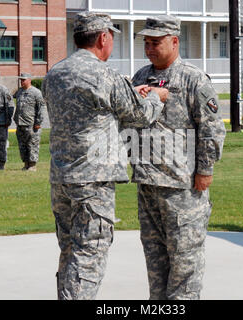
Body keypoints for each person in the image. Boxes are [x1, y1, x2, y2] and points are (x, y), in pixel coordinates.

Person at [41, 12, 168, 300]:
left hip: (62, 177)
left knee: (71, 250)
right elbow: (140, 115)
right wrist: (154, 98)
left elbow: (87, 109)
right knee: (90, 253)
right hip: (93, 180)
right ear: (103, 38)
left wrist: (129, 92)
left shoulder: (54, 74)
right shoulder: (104, 74)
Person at [132, 15, 226, 300]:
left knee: (185, 263)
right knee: (156, 262)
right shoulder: (140, 78)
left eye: (155, 42)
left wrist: (205, 169)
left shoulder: (193, 79)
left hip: (182, 187)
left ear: (174, 41)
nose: (149, 48)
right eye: (146, 43)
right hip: (147, 185)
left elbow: (211, 129)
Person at [14, 73, 45, 171]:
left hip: (31, 124)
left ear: (29, 80)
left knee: (32, 144)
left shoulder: (36, 92)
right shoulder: (19, 92)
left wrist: (38, 122)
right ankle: (26, 164)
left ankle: (32, 165)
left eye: (24, 80)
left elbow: (41, 108)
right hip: (20, 123)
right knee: (22, 145)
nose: (22, 82)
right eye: (21, 80)